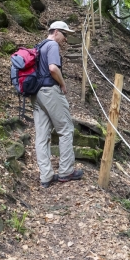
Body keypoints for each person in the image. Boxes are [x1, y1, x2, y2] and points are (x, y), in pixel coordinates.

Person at [32, 21, 84, 188]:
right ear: (55, 32)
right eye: (64, 34)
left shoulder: (39, 47)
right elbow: (53, 69)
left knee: (41, 136)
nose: (65, 38)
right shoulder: (52, 45)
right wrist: (62, 84)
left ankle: (46, 176)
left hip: (36, 94)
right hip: (49, 91)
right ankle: (66, 171)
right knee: (66, 129)